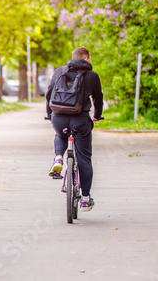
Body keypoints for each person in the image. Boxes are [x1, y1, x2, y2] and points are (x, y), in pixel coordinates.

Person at [45, 46, 103, 212]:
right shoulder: (92, 76)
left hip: (59, 118)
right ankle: (85, 199)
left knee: (60, 135)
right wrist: (97, 115)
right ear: (86, 58)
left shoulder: (59, 72)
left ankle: (58, 159)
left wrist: (50, 114)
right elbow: (98, 98)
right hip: (80, 120)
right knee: (84, 157)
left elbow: (49, 94)